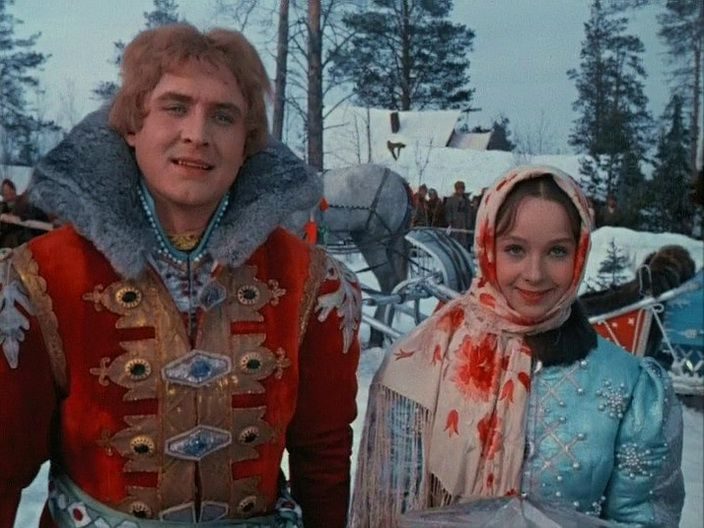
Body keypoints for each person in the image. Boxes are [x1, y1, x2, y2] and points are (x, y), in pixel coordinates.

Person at [0, 24, 361, 528]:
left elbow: (323, 462)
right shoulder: (42, 277)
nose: (197, 134)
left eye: (223, 116)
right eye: (175, 107)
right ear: (133, 125)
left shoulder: (311, 282)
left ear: (247, 142)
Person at [350, 166, 684, 527]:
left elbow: (645, 519)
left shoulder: (632, 388)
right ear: (487, 247)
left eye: (557, 251)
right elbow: (391, 512)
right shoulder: (418, 367)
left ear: (580, 253)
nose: (535, 274)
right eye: (515, 249)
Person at [0, 178, 51, 248]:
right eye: (5, 190)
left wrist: (18, 218)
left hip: (28, 239)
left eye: (10, 189)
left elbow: (36, 217)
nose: (9, 192)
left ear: (14, 190)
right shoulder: (2, 208)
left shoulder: (24, 203)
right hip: (8, 245)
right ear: (3, 194)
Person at [444, 180, 473, 248]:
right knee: (454, 238)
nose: (460, 190)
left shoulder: (466, 200)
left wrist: (468, 222)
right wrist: (449, 220)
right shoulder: (451, 199)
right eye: (459, 188)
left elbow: (469, 212)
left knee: (463, 239)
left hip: (463, 222)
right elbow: (448, 210)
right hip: (455, 222)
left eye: (462, 188)